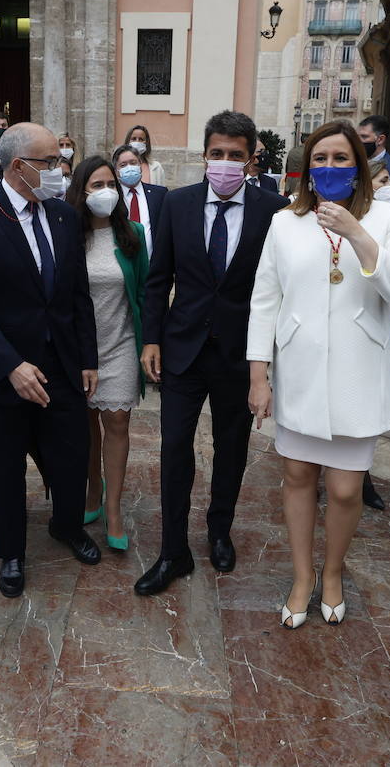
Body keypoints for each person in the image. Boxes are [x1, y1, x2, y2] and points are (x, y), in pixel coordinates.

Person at [248, 121, 390, 628]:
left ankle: (334, 572)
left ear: (359, 165)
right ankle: (302, 577)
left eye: (341, 158)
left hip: (356, 373)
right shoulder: (285, 222)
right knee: (297, 476)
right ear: (307, 167)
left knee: (346, 490)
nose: (329, 167)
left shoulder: (385, 218)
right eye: (320, 158)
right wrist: (260, 374)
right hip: (299, 368)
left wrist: (358, 233)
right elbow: (265, 301)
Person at [134, 111, 289, 596]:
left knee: (232, 450)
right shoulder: (176, 204)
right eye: (217, 153)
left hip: (241, 355)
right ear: (205, 155)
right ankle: (172, 551)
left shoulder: (274, 210)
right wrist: (152, 339)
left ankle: (219, 530)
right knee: (175, 448)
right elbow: (158, 279)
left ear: (250, 159)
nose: (225, 163)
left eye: (235, 156)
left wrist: (267, 360)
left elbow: (280, 288)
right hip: (182, 349)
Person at [0, 122, 102, 598]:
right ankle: (11, 551)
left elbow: (78, 294)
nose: (60, 170)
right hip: (0, 373)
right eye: (50, 162)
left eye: (61, 161)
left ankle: (68, 525)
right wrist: (11, 364)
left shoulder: (62, 216)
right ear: (19, 167)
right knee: (5, 466)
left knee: (71, 456)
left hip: (61, 365)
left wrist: (88, 357)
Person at [65, 156, 149, 550]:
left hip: (120, 344)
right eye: (96, 185)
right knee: (85, 428)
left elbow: (147, 291)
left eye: (110, 184)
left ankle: (113, 509)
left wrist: (151, 342)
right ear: (81, 191)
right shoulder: (66, 233)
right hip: (80, 349)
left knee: (116, 424)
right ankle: (91, 491)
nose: (106, 192)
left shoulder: (132, 234)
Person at [113, 143, 168, 259]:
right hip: (124, 266)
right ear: (116, 171)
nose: (129, 167)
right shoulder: (113, 198)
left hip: (153, 266)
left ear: (140, 165)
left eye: (133, 163)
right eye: (123, 165)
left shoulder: (160, 194)